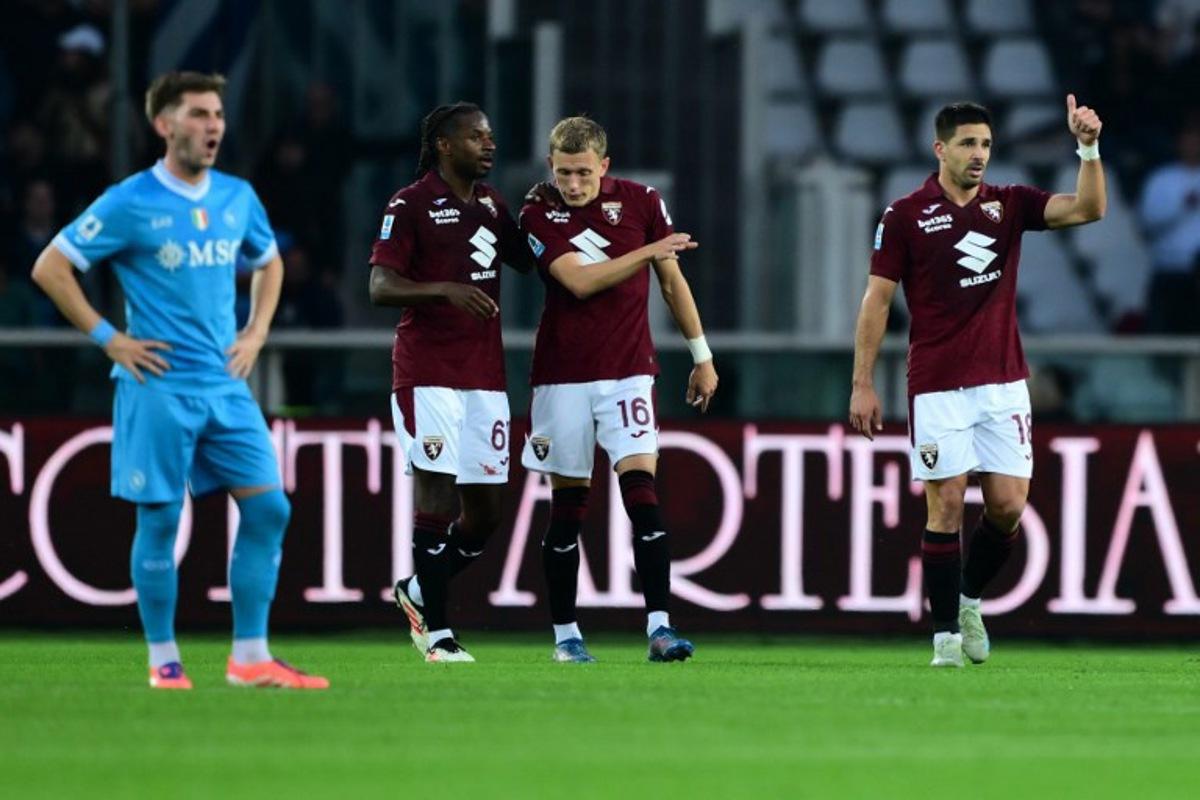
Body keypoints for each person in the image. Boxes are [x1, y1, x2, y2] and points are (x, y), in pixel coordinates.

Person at [30, 71, 327, 690]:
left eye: (217, 113)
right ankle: (164, 661)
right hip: (158, 384)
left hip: (224, 385)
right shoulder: (130, 200)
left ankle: (250, 657)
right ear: (164, 125)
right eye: (197, 114)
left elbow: (268, 263)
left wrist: (256, 332)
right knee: (162, 519)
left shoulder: (237, 196)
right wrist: (109, 337)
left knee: (270, 508)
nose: (213, 125)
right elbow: (51, 267)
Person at [849, 98, 1105, 667]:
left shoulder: (1010, 205)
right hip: (938, 384)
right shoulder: (905, 215)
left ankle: (968, 602)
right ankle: (944, 640)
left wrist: (1087, 147)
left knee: (1009, 507)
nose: (979, 155)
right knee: (943, 508)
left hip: (1003, 383)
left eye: (986, 145)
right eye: (968, 144)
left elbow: (1089, 208)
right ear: (940, 149)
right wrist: (862, 381)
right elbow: (877, 300)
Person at [519, 116, 716, 664]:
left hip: (629, 370)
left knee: (643, 498)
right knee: (568, 509)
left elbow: (673, 282)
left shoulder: (641, 201)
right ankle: (566, 637)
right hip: (562, 376)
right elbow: (579, 282)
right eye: (563, 173)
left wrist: (701, 356)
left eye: (583, 172)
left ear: (604, 166)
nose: (573, 185)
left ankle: (660, 627)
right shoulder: (538, 211)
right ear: (550, 168)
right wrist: (648, 253)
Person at [368, 102, 538, 663]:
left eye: (490, 137)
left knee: (486, 514)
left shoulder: (492, 204)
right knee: (436, 492)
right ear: (444, 144)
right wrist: (442, 289)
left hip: (485, 376)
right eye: (475, 137)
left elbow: (527, 259)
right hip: (428, 372)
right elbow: (380, 285)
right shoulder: (410, 202)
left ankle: (417, 590)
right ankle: (436, 633)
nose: (489, 145)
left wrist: (551, 211)